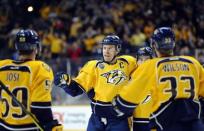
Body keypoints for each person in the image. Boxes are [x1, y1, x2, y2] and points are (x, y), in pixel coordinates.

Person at [112, 27, 204, 131]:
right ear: (173, 43)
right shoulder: (193, 62)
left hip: (167, 123)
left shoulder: (151, 66)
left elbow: (128, 98)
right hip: (194, 123)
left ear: (154, 44)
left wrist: (118, 103)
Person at [54, 35, 137, 131]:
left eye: (110, 48)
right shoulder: (93, 67)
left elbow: (143, 72)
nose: (106, 51)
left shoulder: (128, 62)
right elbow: (76, 90)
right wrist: (66, 83)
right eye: (104, 48)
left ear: (117, 49)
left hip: (119, 119)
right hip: (97, 119)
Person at [0, 29, 62, 131]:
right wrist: (51, 125)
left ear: (17, 47)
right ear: (37, 48)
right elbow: (40, 107)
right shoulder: (40, 68)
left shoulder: (2, 66)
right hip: (28, 128)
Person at [132, 46, 154, 131]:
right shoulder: (131, 77)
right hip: (138, 122)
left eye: (147, 59)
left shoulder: (159, 77)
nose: (143, 62)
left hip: (155, 120)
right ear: (137, 61)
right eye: (140, 59)